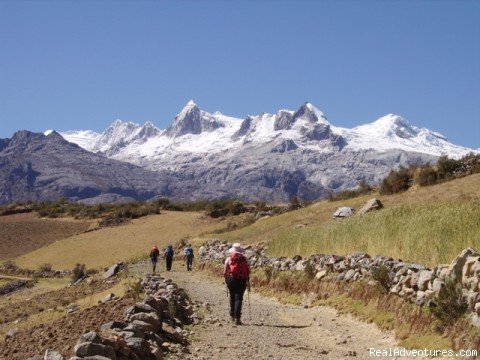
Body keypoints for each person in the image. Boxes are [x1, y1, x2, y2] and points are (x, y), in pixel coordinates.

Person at [224, 243, 250, 325]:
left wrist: (226, 280)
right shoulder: (245, 259)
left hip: (231, 280)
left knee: (232, 297)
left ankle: (232, 315)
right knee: (239, 298)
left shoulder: (229, 259)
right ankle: (237, 318)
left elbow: (225, 272)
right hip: (242, 280)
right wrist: (247, 280)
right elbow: (248, 271)